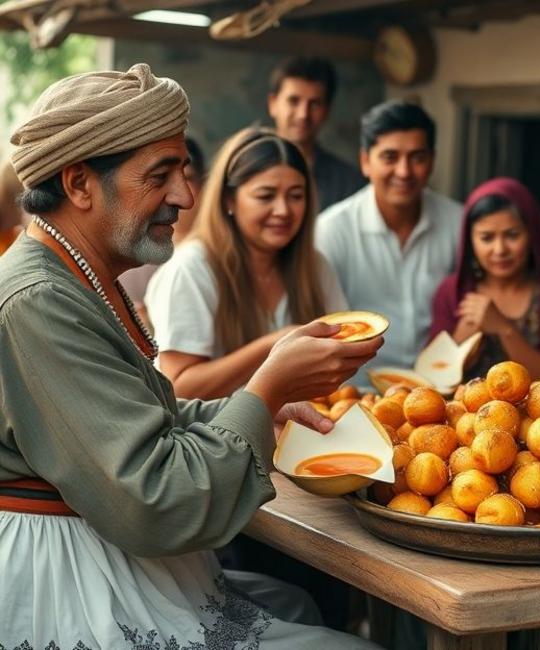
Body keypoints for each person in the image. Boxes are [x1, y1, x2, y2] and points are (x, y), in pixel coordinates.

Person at [0, 63, 383, 648]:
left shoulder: (75, 276)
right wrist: (266, 389)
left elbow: (140, 419)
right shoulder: (39, 301)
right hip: (70, 575)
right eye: (160, 175)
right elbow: (153, 498)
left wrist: (249, 411)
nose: (185, 195)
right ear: (79, 185)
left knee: (299, 601)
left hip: (105, 548)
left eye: (183, 170)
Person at [146, 127, 347, 399]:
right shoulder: (191, 269)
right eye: (266, 196)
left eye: (296, 196)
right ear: (229, 199)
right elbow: (179, 386)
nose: (283, 210)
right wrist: (276, 345)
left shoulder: (314, 265)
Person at [315, 99, 461, 387]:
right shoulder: (332, 230)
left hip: (440, 389)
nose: (404, 172)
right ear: (365, 161)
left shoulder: (458, 223)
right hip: (355, 391)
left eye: (417, 157)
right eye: (390, 157)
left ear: (432, 161)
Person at [429, 177, 540, 382]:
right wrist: (459, 340)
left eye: (512, 235)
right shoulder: (453, 291)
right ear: (470, 240)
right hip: (463, 412)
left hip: (538, 413)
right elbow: (430, 377)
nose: (500, 250)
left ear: (532, 234)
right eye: (486, 238)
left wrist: (503, 328)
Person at [118, 136, 205, 322]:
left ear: (204, 186)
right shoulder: (129, 264)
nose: (177, 192)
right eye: (160, 178)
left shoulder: (222, 254)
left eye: (187, 178)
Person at [267, 56, 364, 211]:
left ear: (327, 111)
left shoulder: (349, 183)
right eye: (293, 101)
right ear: (273, 104)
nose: (303, 114)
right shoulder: (245, 172)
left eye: (314, 104)